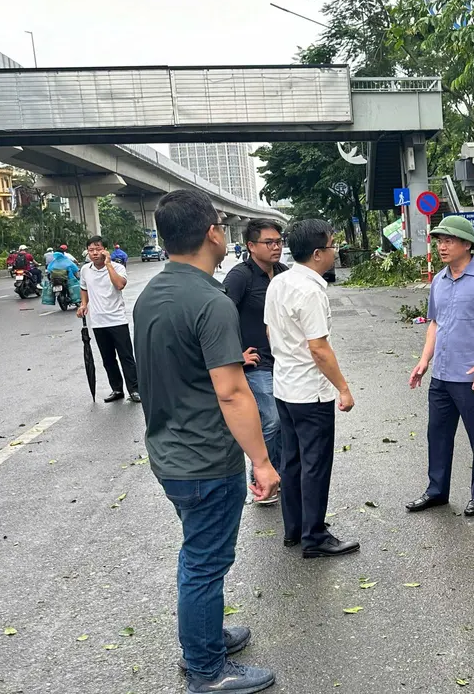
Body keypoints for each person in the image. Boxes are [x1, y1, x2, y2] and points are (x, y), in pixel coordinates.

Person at [133, 189, 280, 694]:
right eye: (220, 224)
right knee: (205, 561)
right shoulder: (209, 299)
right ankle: (206, 670)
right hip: (204, 459)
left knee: (197, 554)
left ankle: (204, 636)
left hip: (169, 452)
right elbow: (234, 392)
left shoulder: (153, 293)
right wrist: (261, 461)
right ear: (213, 233)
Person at [265, 219, 358, 558]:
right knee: (315, 463)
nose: (335, 251)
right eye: (332, 246)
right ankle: (315, 537)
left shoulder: (280, 280)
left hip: (285, 387)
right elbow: (319, 348)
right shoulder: (310, 290)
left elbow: (270, 331)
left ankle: (295, 528)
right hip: (310, 392)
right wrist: (343, 389)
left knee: (292, 461)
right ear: (318, 253)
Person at [406, 216, 474, 517]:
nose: (442, 246)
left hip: (471, 374)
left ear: (466, 244)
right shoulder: (439, 280)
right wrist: (424, 361)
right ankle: (437, 491)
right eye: (439, 241)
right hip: (442, 374)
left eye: (448, 240)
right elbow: (435, 323)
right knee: (437, 434)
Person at [222, 220, 289, 506]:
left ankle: (281, 475)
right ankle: (260, 479)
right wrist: (236, 353)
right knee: (271, 419)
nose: (276, 247)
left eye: (279, 242)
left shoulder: (283, 274)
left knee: (286, 419)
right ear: (251, 246)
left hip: (284, 361)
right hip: (257, 363)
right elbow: (220, 315)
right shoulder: (240, 277)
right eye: (269, 243)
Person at [77, 235, 140, 404]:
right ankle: (117, 389)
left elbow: (119, 285)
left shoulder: (117, 267)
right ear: (87, 252)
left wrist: (108, 264)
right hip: (98, 322)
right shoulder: (85, 270)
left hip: (117, 320)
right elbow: (84, 288)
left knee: (126, 357)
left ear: (105, 250)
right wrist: (84, 304)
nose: (95, 253)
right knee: (108, 359)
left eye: (98, 249)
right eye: (91, 250)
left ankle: (134, 390)